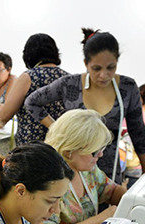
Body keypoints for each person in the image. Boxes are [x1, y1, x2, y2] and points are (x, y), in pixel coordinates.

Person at [25, 28, 145, 184]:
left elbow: (139, 135)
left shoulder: (127, 87)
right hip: (73, 173)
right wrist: (58, 128)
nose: (104, 75)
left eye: (111, 67)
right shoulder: (70, 84)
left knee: (109, 205)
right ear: (86, 64)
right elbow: (31, 102)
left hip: (109, 170)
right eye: (96, 68)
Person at [44, 109, 126, 224]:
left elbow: (111, 191)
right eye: (94, 151)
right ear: (69, 151)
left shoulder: (86, 170)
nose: (100, 155)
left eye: (101, 149)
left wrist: (133, 201)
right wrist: (102, 218)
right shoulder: (47, 181)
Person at [0, 34, 68, 146]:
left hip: (32, 149)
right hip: (60, 146)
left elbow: (3, 116)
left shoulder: (28, 77)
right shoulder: (68, 78)